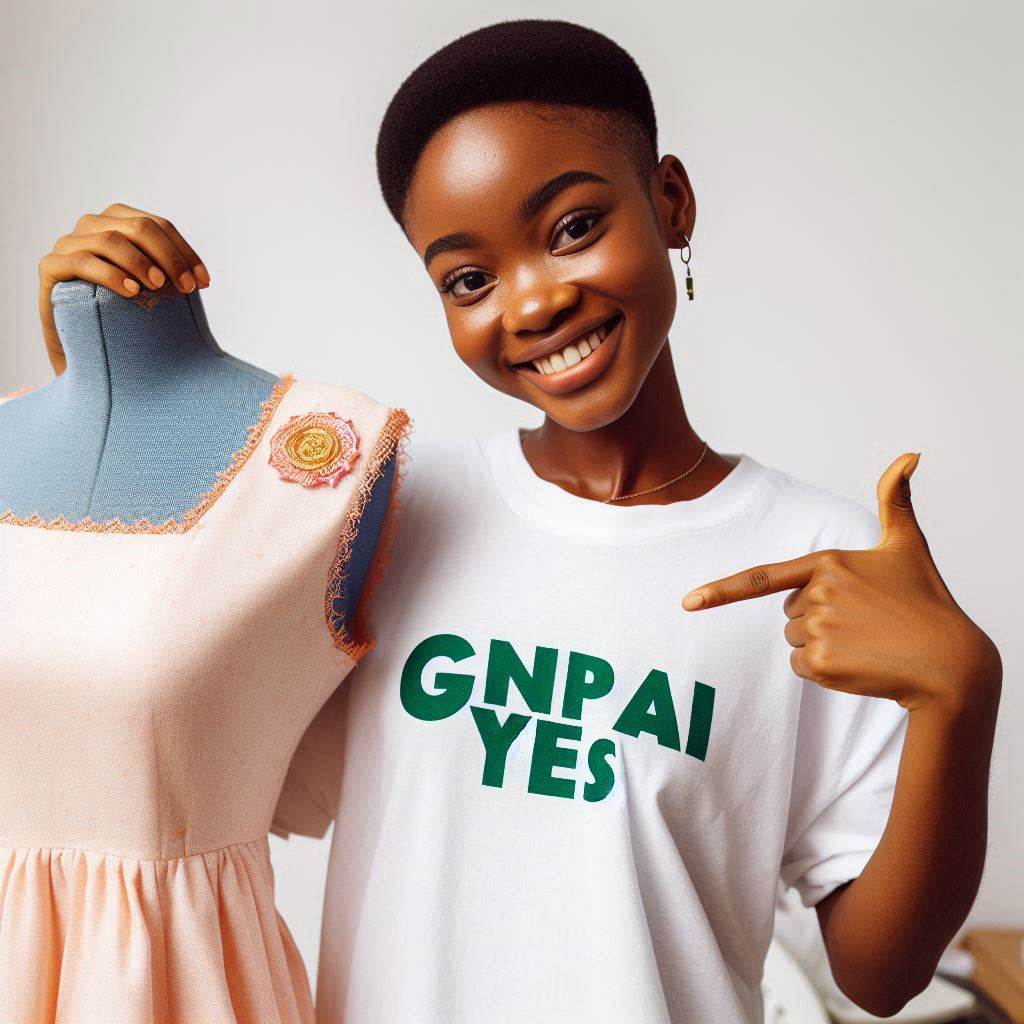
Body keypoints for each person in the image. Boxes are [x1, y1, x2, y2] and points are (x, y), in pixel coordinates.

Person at [24, 18, 1001, 1024]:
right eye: (468, 279)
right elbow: (163, 754)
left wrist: (959, 700)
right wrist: (101, 395)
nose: (531, 301)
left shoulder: (816, 564)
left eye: (573, 226)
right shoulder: (379, 512)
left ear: (669, 201)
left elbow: (877, 976)